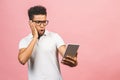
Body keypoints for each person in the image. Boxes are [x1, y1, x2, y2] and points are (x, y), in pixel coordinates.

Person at [18, 5, 78, 80]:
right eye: (38, 22)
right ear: (31, 23)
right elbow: (22, 60)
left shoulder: (55, 37)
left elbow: (67, 57)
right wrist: (35, 37)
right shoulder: (24, 41)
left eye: (44, 22)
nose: (42, 25)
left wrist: (74, 61)